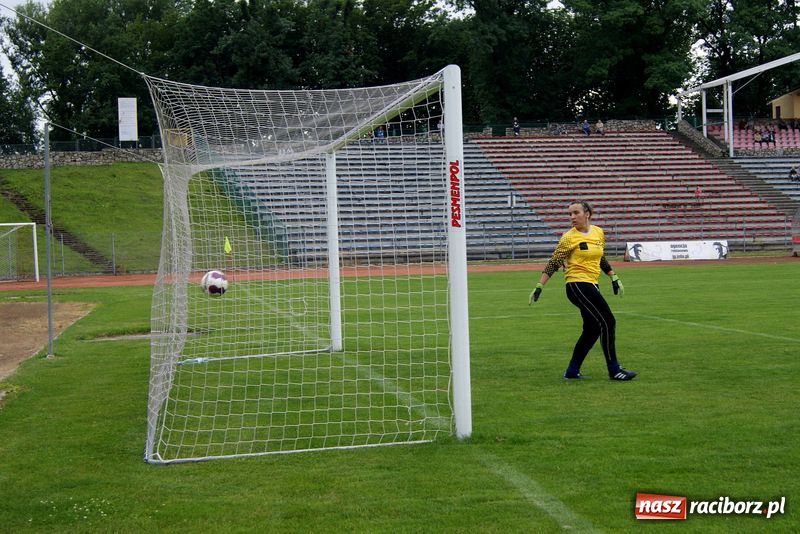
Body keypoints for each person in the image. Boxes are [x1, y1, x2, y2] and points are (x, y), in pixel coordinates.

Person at [529, 201, 637, 381]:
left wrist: (613, 276)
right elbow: (555, 262)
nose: (572, 217)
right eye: (569, 214)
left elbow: (600, 257)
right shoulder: (568, 237)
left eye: (575, 212)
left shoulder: (598, 232)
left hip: (592, 284)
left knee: (593, 328)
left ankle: (572, 371)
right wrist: (540, 286)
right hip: (577, 285)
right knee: (608, 321)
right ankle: (614, 369)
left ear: (587, 213)